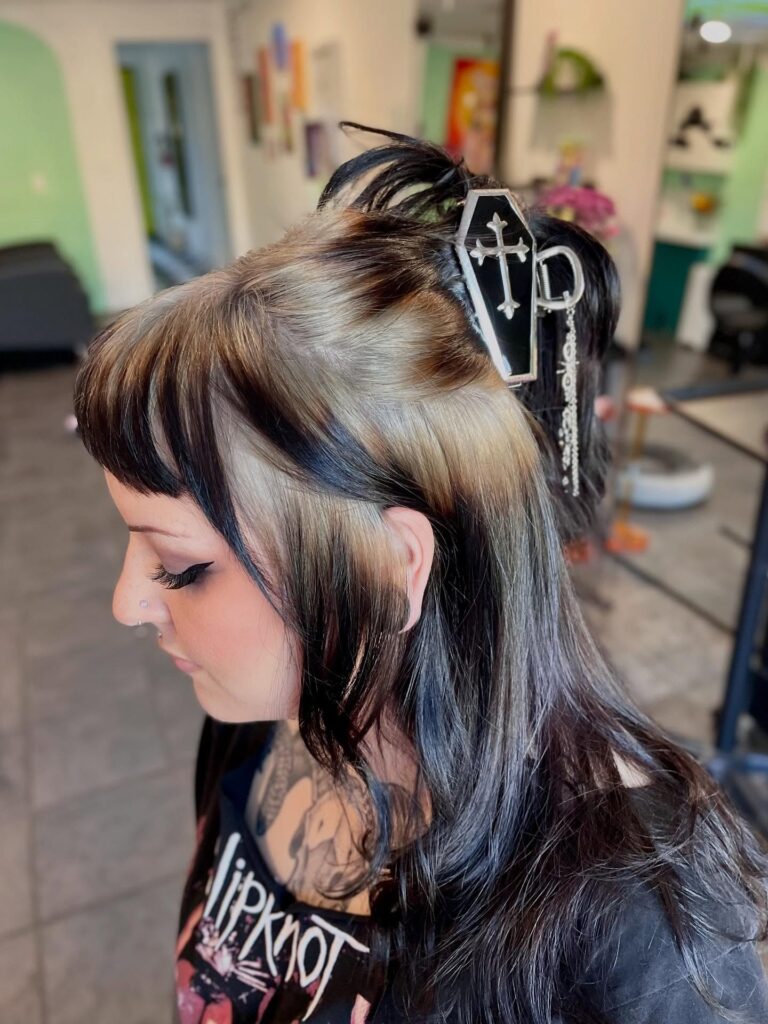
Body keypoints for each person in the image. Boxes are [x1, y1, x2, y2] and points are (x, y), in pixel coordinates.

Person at [72, 125, 768, 1024]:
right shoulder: (267, 717)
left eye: (179, 565)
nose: (128, 602)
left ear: (392, 563)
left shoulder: (645, 931)